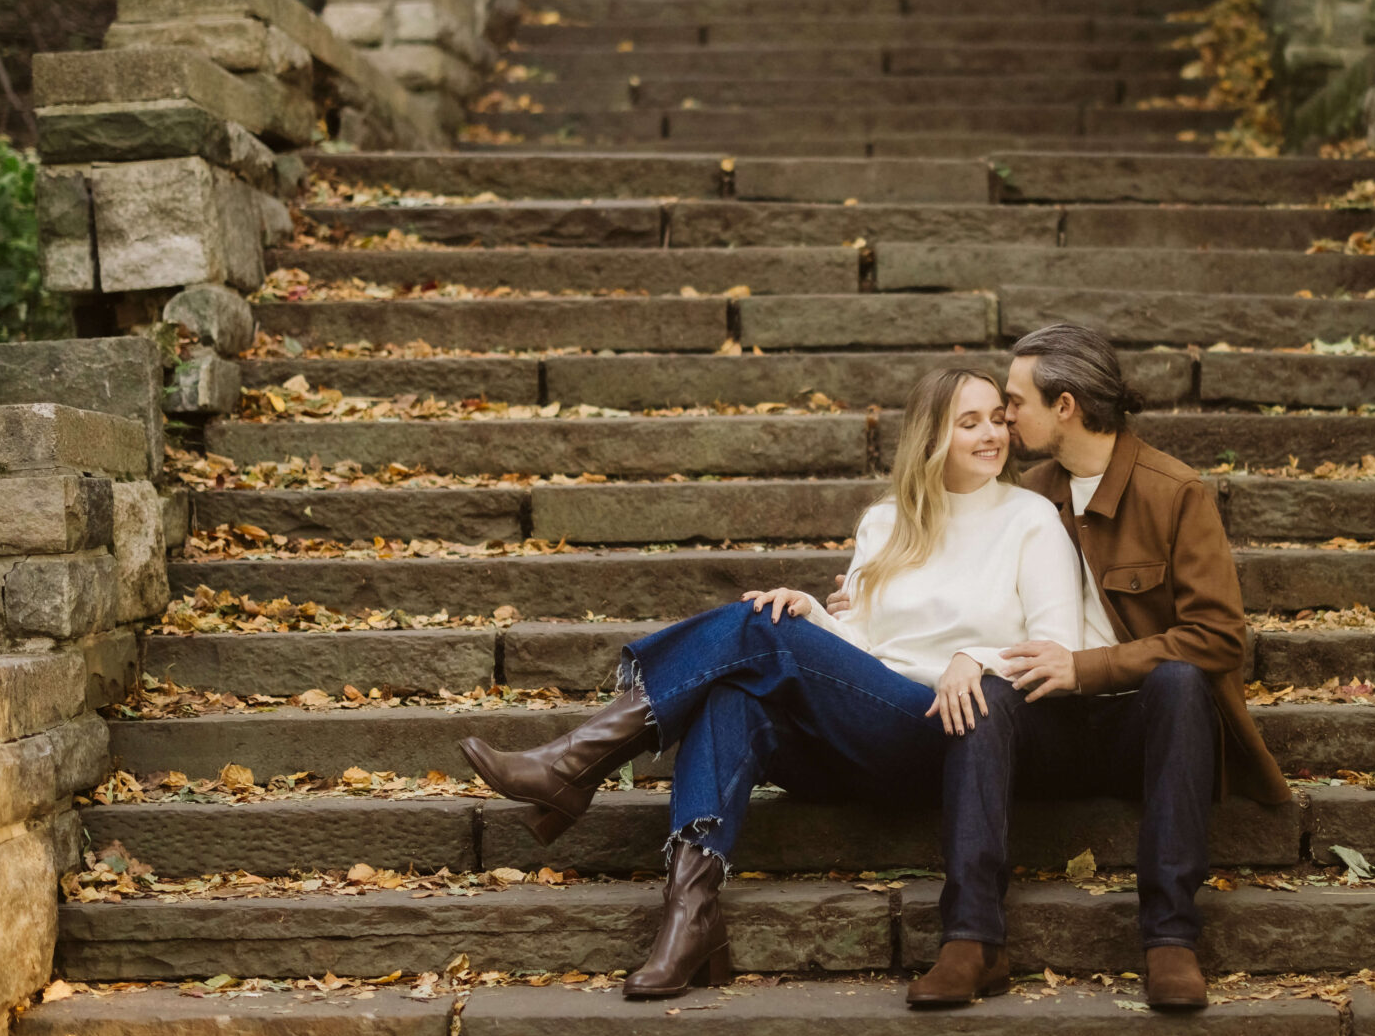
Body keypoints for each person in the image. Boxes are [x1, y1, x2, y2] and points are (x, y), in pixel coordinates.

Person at [458, 366, 1082, 1000]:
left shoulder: (1030, 518)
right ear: (930, 437)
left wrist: (974, 657)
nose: (991, 435)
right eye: (968, 423)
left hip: (951, 733)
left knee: (756, 632)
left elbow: (1062, 646)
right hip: (870, 725)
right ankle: (689, 915)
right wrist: (809, 614)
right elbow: (865, 649)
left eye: (997, 419)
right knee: (738, 685)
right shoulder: (886, 522)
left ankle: (576, 762)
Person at [909, 323, 1291, 1012]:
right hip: (1045, 725)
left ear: (1065, 406)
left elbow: (1218, 637)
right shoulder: (1027, 489)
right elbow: (951, 559)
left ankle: (1171, 936)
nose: (1003, 417)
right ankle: (971, 939)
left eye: (1014, 402)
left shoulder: (1175, 492)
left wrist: (1088, 667)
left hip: (1141, 726)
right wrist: (870, 596)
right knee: (984, 695)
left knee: (1179, 678)